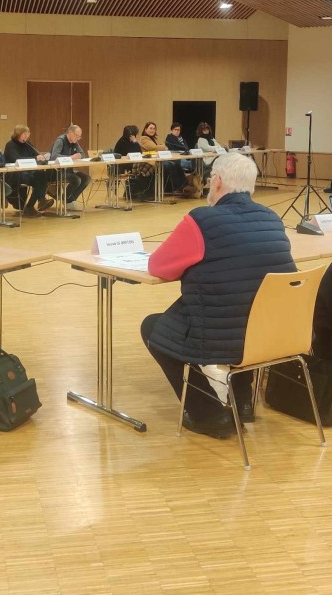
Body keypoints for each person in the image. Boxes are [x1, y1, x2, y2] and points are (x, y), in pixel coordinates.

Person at [141, 153, 296, 440]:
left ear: (219, 181)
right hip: (272, 333)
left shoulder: (202, 220)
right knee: (246, 303)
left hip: (220, 335)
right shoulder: (272, 218)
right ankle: (243, 402)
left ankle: (210, 415)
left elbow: (158, 266)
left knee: (153, 327)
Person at [3, 125, 54, 218]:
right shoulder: (10, 145)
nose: (26, 136)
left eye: (28, 134)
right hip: (15, 173)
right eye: (24, 134)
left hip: (29, 171)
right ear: (17, 134)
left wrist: (41, 157)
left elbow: (36, 155)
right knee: (38, 181)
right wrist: (35, 158)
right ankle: (36, 203)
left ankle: (38, 202)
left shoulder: (28, 144)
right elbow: (16, 159)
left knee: (42, 174)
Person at [50, 124, 90, 210]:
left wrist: (79, 155)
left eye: (79, 137)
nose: (78, 138)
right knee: (76, 179)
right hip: (56, 172)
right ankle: (66, 200)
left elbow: (82, 154)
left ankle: (69, 200)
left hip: (68, 170)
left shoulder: (74, 142)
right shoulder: (60, 140)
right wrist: (71, 157)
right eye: (77, 135)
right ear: (70, 132)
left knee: (86, 178)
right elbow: (54, 156)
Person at [141, 121, 187, 193]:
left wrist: (160, 147)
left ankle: (184, 185)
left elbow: (165, 146)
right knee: (170, 165)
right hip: (151, 162)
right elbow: (153, 148)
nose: (152, 130)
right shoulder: (143, 139)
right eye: (150, 128)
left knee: (177, 164)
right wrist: (161, 147)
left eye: (154, 128)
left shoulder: (156, 138)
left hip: (161, 159)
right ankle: (180, 187)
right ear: (145, 129)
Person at [114, 124, 154, 201]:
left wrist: (135, 142)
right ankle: (138, 192)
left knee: (149, 167)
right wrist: (135, 143)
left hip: (134, 162)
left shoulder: (133, 142)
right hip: (124, 165)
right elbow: (123, 156)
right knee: (142, 168)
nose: (133, 136)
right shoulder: (122, 142)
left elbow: (139, 152)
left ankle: (145, 192)